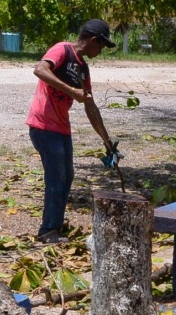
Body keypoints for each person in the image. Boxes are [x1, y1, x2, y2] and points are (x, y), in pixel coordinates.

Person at [26, 19, 118, 244]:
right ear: (93, 40)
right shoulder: (62, 50)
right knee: (57, 177)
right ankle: (48, 231)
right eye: (101, 46)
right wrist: (71, 91)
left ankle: (54, 225)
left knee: (67, 177)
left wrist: (107, 142)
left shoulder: (83, 69)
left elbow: (90, 105)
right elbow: (40, 69)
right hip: (43, 125)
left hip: (62, 128)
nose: (101, 51)